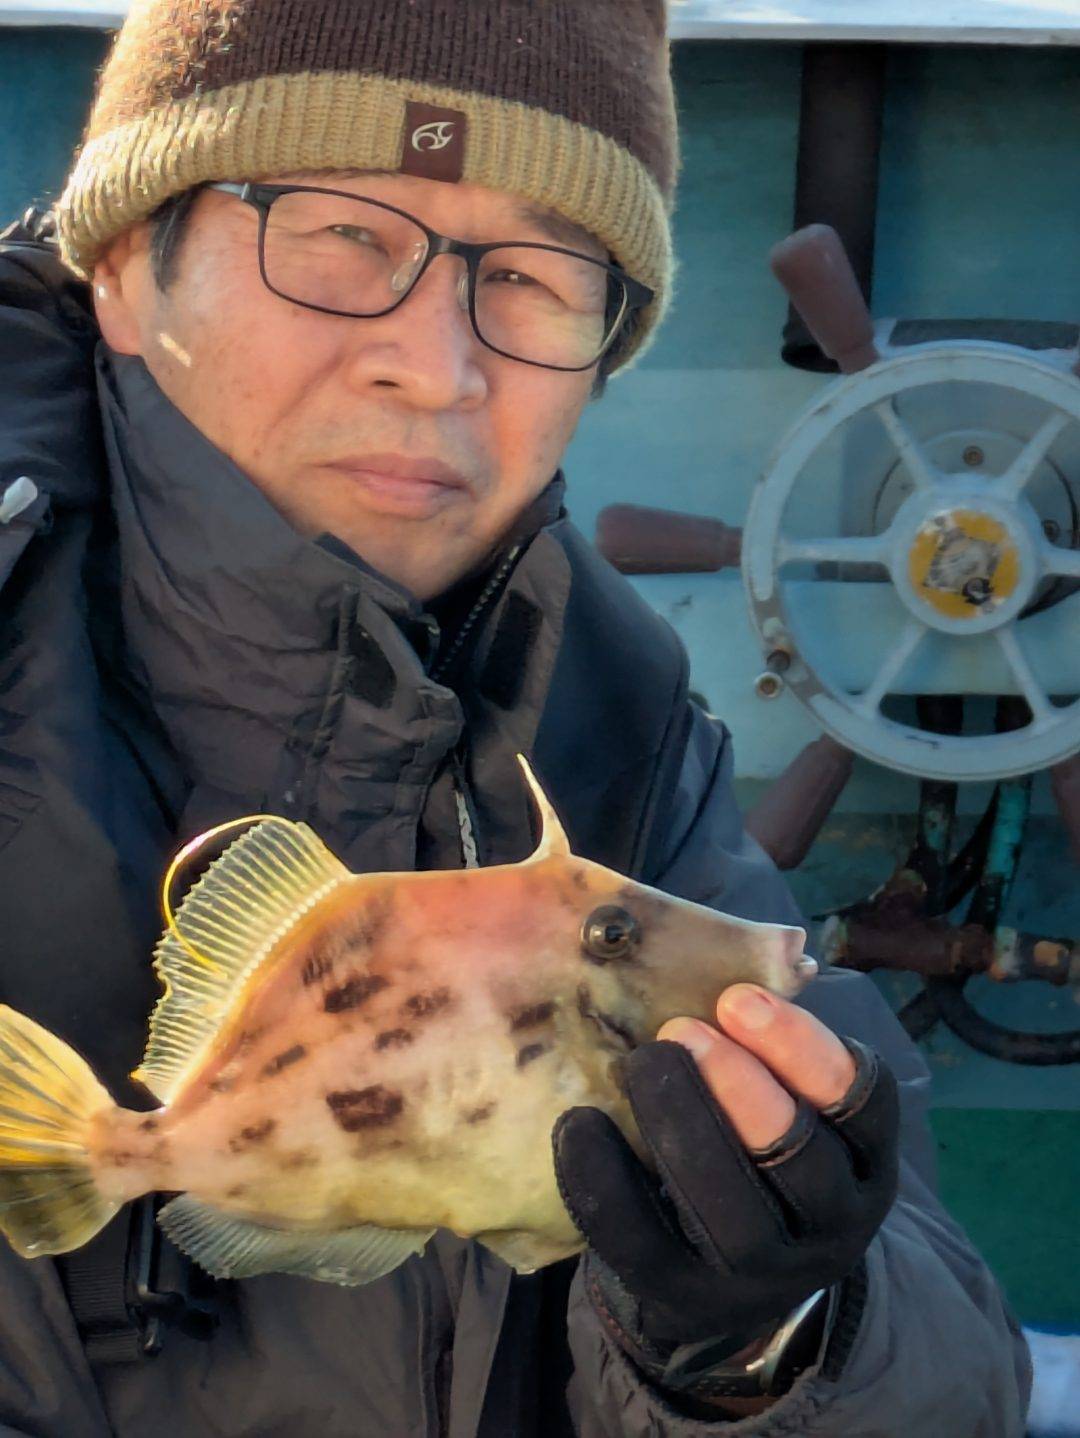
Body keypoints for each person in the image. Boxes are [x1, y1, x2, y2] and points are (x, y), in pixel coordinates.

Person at [0, 1, 1029, 1434]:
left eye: (538, 277)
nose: (437, 366)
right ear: (123, 265)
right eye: (339, 235)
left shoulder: (620, 719)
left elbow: (955, 1374)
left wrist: (769, 1335)